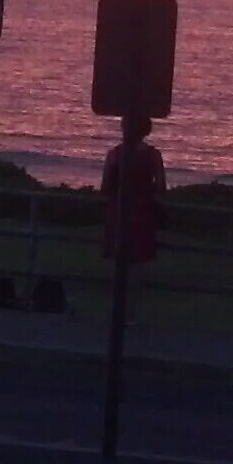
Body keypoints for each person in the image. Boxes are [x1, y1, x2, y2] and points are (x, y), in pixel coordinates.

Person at [101, 112, 166, 321]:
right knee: (137, 266)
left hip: (118, 211)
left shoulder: (114, 154)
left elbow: (105, 187)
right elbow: (161, 187)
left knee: (117, 263)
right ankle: (130, 312)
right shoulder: (153, 155)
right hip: (142, 212)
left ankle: (116, 310)